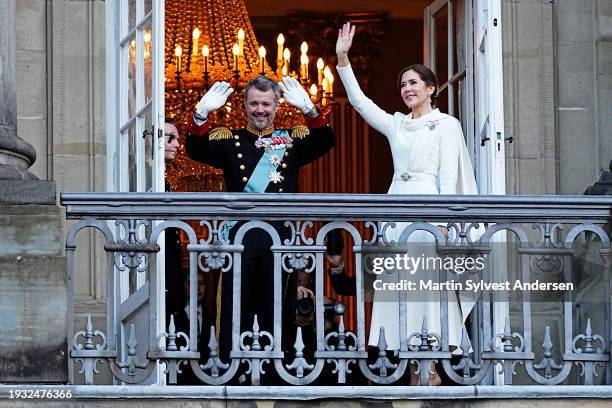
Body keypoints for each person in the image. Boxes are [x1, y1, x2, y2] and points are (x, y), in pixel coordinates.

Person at [335, 22, 479, 385]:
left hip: (430, 210)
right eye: (402, 84)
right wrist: (342, 59)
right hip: (396, 212)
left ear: (430, 88)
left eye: (414, 82)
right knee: (399, 288)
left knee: (427, 289)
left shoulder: (445, 124)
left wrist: (446, 221)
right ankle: (413, 368)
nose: (407, 89)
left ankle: (431, 368)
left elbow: (449, 173)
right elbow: (360, 103)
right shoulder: (396, 125)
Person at [186, 76, 334, 365]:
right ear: (244, 105)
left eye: (266, 104)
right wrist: (201, 114)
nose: (260, 109)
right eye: (254, 103)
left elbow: (325, 142)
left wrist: (311, 111)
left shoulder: (292, 140)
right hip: (239, 239)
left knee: (277, 305)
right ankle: (232, 367)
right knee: (234, 306)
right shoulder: (229, 140)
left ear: (277, 105)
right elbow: (197, 150)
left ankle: (277, 369)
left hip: (279, 237)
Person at [171, 271, 212, 385]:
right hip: (182, 380)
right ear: (183, 286)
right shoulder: (174, 317)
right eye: (191, 283)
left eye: (201, 283)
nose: (197, 287)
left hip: (207, 380)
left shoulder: (212, 316)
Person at [164, 119, 186, 322]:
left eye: (177, 139)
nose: (177, 144)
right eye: (169, 138)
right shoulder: (142, 178)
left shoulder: (165, 182)